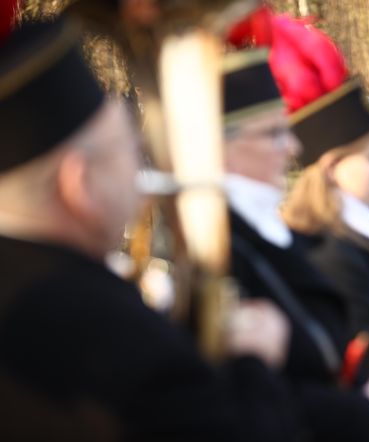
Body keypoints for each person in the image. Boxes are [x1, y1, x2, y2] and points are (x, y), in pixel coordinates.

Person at [0, 18, 299, 441]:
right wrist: (255, 363)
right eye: (131, 149)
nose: (142, 174)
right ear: (79, 184)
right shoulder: (109, 333)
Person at [220, 48, 369, 442]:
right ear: (221, 149)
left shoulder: (263, 231)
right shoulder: (224, 244)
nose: (292, 148)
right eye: (274, 133)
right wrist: (363, 414)